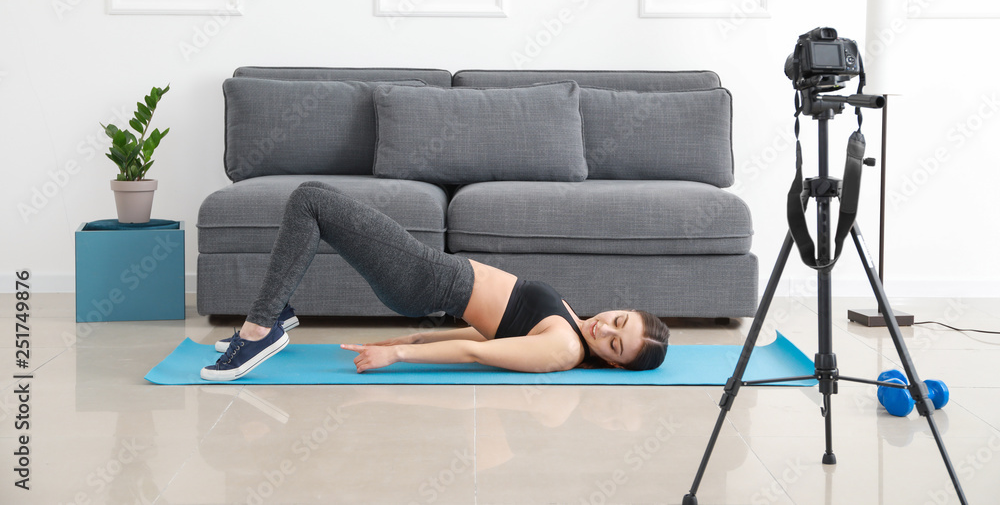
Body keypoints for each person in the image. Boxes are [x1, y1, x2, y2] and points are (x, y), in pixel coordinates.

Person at [201, 181, 670, 381]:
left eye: (614, 345)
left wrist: (399, 354)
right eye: (619, 321)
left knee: (308, 201)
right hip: (429, 273)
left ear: (613, 365)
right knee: (317, 197)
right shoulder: (571, 324)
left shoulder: (564, 349)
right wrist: (412, 335)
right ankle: (275, 310)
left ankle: (260, 331)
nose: (605, 330)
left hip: (425, 277)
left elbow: (478, 352)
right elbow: (489, 327)